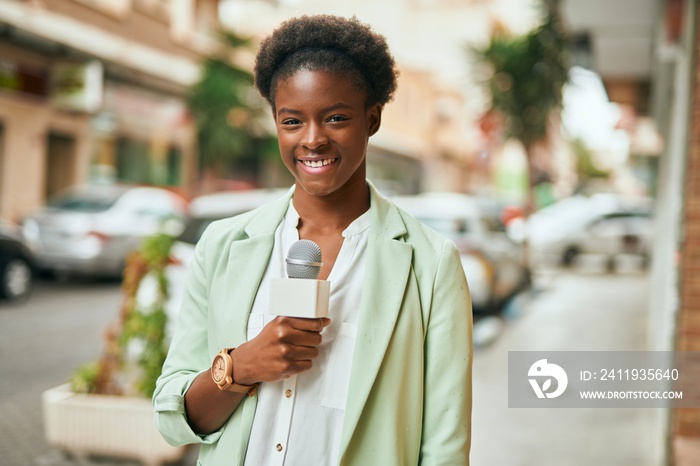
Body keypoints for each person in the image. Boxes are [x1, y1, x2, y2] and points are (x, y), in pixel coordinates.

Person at [153, 14, 473, 466]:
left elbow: (445, 445)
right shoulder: (223, 245)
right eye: (292, 121)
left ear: (373, 118)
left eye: (336, 118)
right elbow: (174, 418)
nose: (313, 140)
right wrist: (242, 366)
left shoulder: (430, 264)